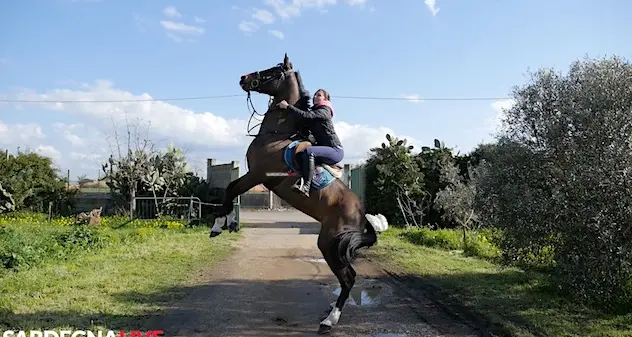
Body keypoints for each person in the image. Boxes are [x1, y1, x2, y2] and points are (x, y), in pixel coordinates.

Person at [277, 85, 344, 196]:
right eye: (315, 95)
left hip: (335, 151)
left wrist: (288, 107)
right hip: (326, 149)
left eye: (319, 95)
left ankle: (306, 187)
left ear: (326, 99)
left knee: (309, 152)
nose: (315, 97)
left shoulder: (325, 111)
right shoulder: (316, 111)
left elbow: (306, 116)